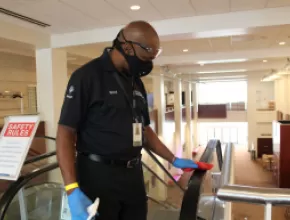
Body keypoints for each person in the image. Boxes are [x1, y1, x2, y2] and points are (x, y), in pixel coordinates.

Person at [56, 20, 198, 220]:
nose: (148, 63)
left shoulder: (135, 82)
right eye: (145, 57)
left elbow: (144, 129)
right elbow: (65, 132)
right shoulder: (87, 76)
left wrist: (173, 159)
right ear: (127, 47)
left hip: (133, 176)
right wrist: (71, 188)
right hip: (97, 176)